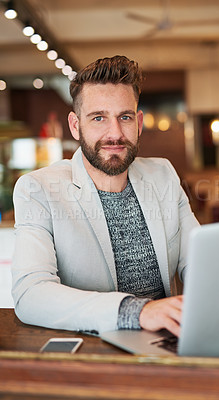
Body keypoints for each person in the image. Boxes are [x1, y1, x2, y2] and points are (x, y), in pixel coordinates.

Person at [11, 55, 199, 337]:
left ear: (138, 122)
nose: (115, 134)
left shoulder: (163, 175)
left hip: (167, 343)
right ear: (75, 126)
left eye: (124, 117)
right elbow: (30, 294)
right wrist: (137, 312)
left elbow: (198, 261)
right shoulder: (38, 190)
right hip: (94, 348)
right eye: (98, 118)